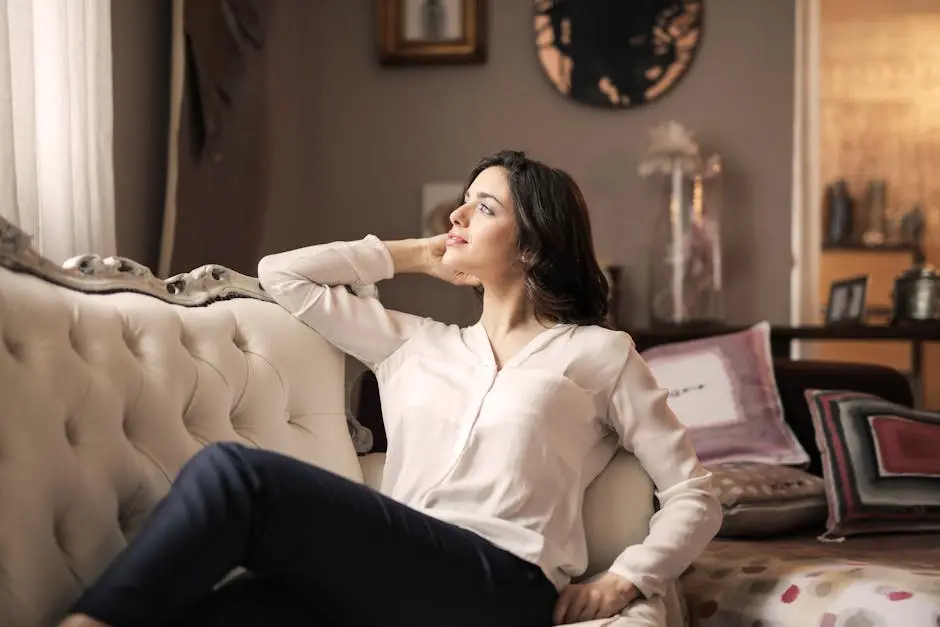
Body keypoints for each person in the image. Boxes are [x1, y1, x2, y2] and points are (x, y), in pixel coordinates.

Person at [60, 150, 722, 627]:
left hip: (500, 586)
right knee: (231, 611)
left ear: (533, 245)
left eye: (484, 206)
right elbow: (280, 276)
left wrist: (628, 575)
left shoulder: (599, 354)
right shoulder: (414, 341)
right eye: (464, 200)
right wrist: (408, 253)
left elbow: (695, 492)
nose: (459, 213)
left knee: (239, 477)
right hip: (396, 575)